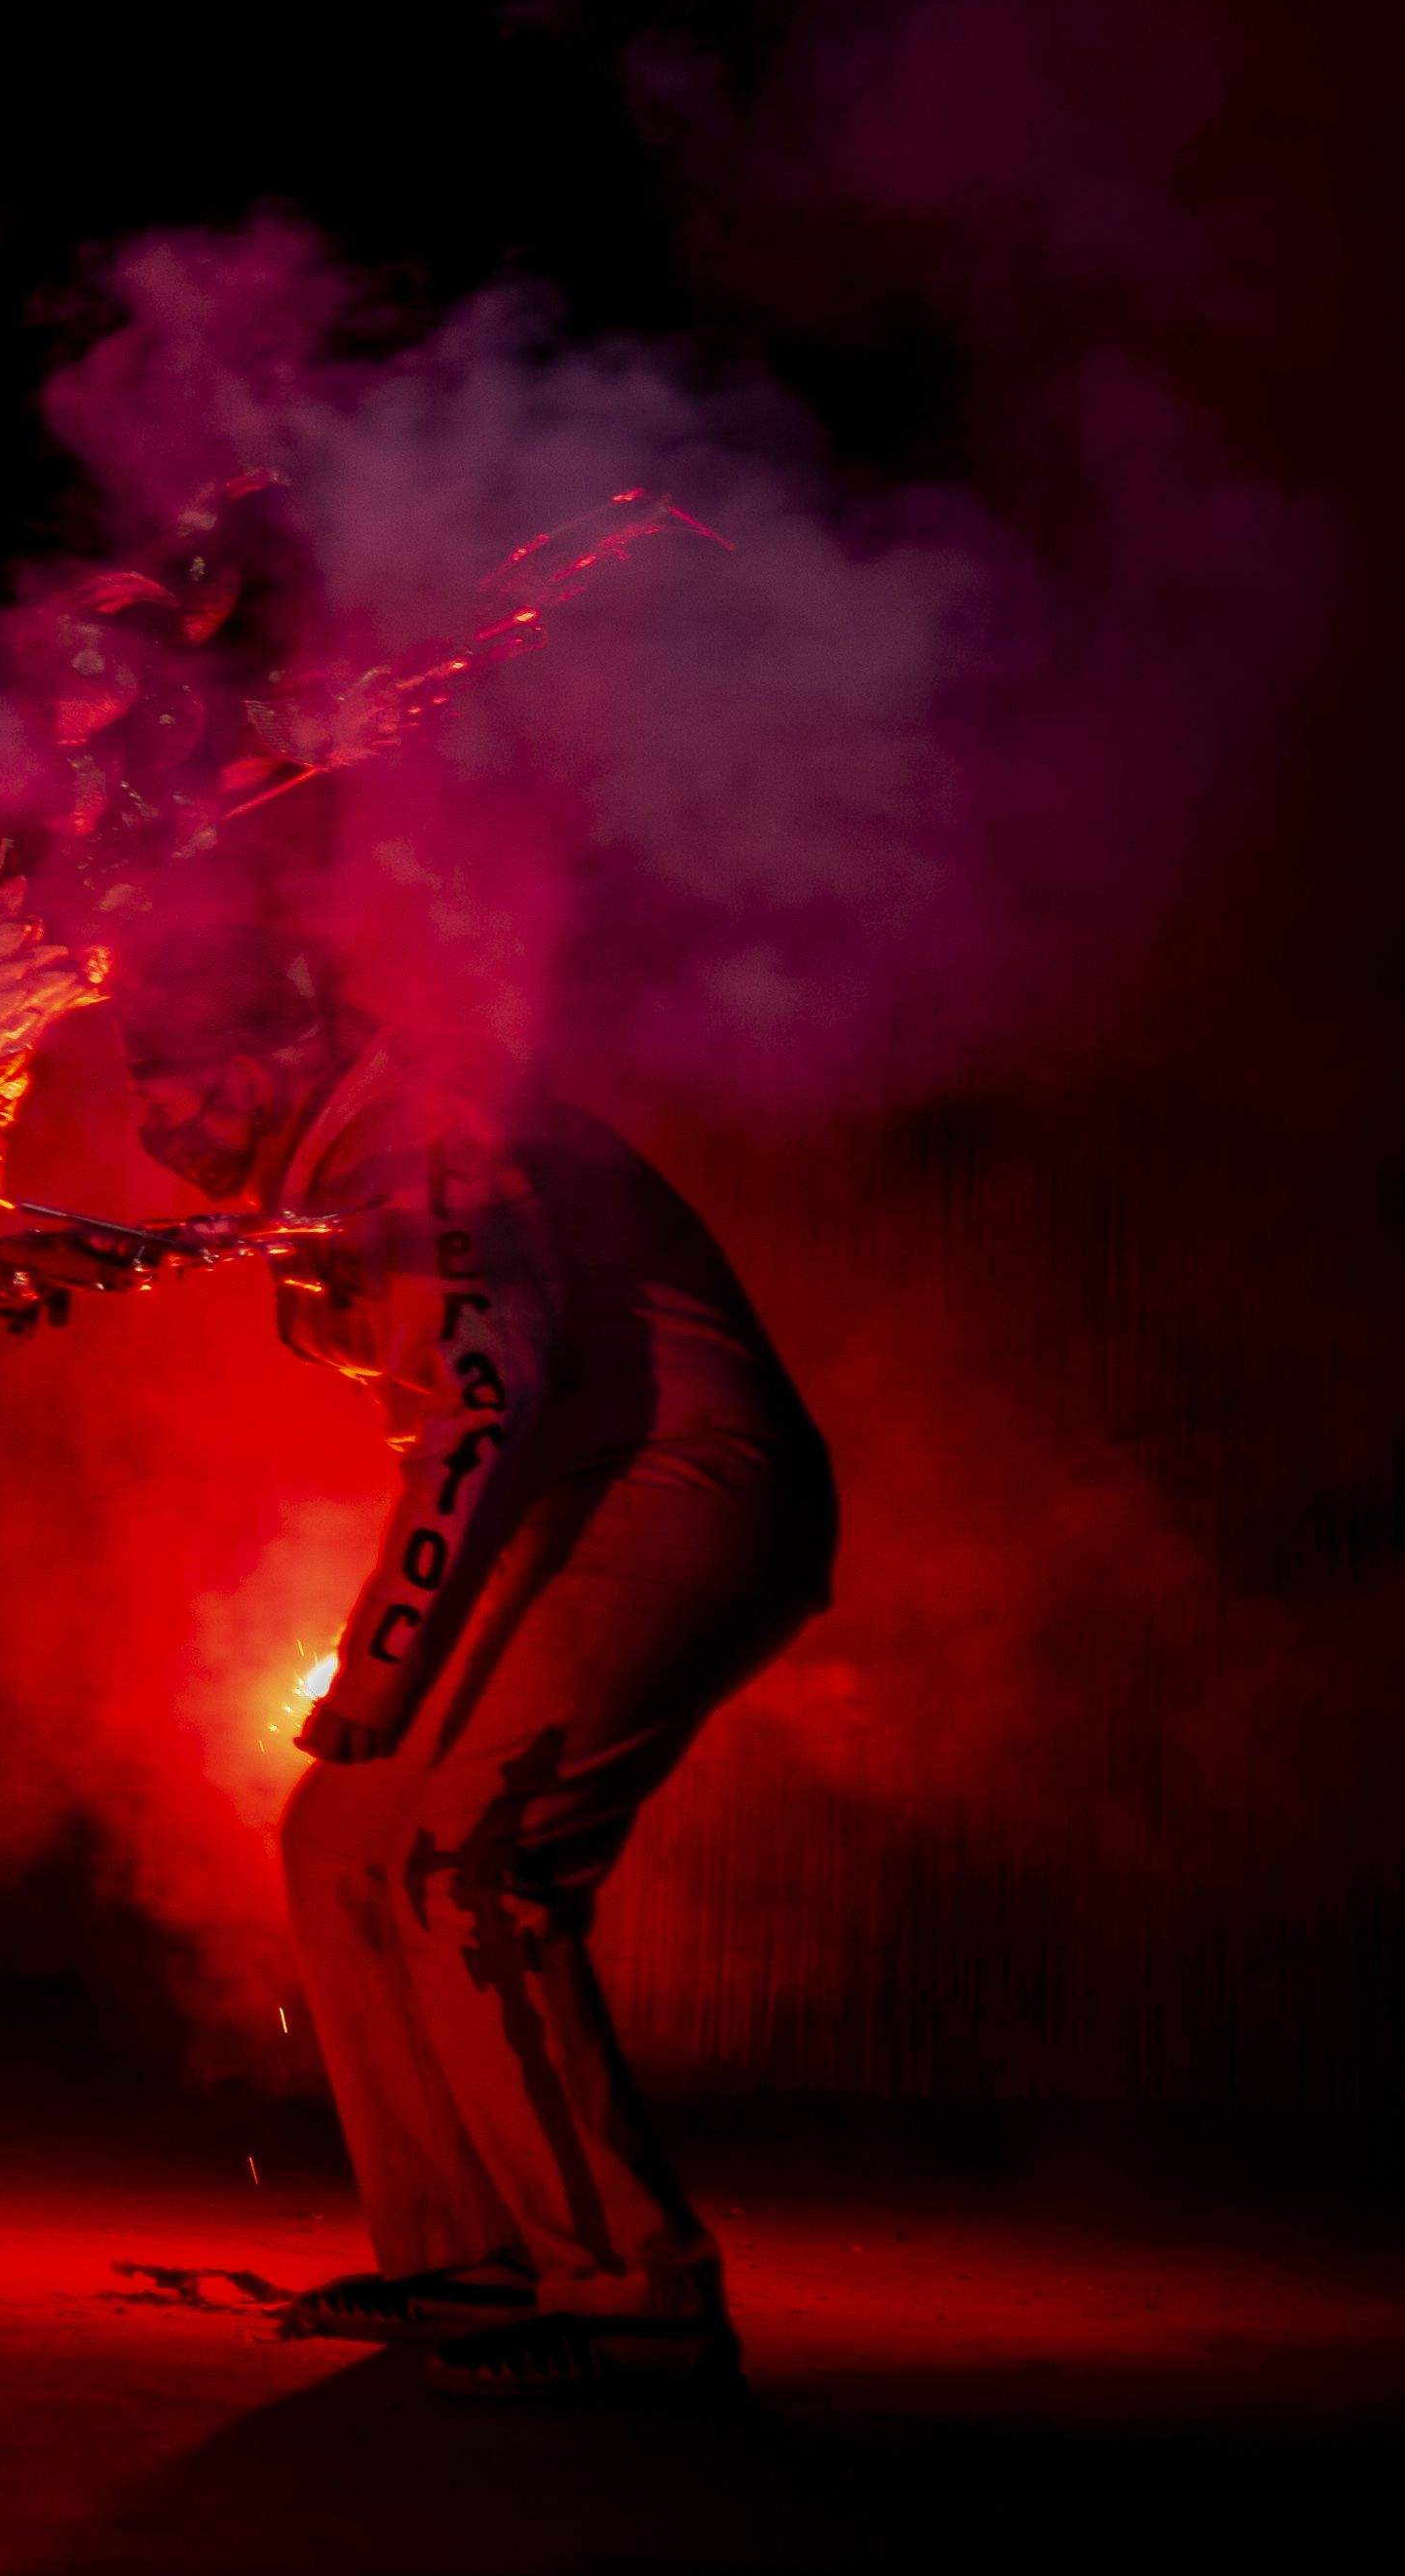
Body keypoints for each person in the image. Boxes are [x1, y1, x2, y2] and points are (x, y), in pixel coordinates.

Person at [64, 497, 836, 2403]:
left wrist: (387, 1660)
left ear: (280, 1045)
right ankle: (473, 2258)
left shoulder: (420, 1133)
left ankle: (629, 2283)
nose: (170, 1123)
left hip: (681, 1488)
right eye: (152, 1090)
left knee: (476, 1860)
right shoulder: (338, 1162)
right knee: (348, 1839)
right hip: (594, 1481)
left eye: (191, 1079)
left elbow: (485, 1405)